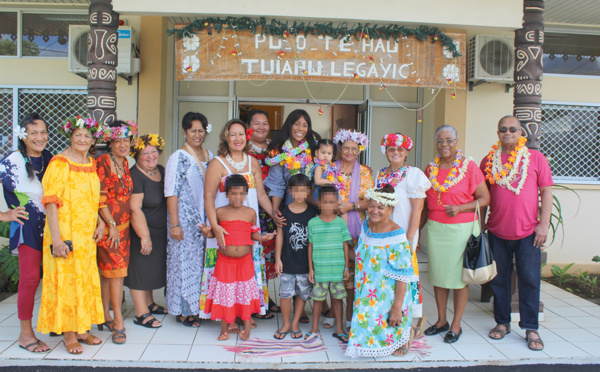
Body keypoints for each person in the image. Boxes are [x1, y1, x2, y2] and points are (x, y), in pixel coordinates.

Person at [481, 115, 553, 351]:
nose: (508, 132)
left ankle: (531, 328)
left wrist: (543, 225)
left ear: (521, 132)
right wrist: (480, 225)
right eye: (503, 129)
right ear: (498, 133)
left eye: (513, 129)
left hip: (529, 233)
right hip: (497, 231)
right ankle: (502, 323)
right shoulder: (490, 160)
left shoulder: (535, 158)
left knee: (529, 280)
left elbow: (547, 192)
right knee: (500, 281)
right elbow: (482, 196)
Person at [37, 116, 105, 354]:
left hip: (87, 235)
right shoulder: (59, 162)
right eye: (78, 135)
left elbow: (91, 198)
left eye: (87, 136)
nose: (83, 139)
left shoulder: (90, 162)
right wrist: (56, 239)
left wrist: (100, 223)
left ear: (93, 139)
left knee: (84, 279)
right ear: (70, 137)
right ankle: (68, 333)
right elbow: (51, 203)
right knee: (67, 280)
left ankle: (83, 329)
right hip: (64, 232)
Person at [201, 119, 276, 332]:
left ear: (247, 136)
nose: (237, 138)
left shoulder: (253, 162)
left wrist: (274, 214)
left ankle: (245, 312)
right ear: (226, 137)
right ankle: (227, 315)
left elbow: (260, 194)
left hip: (248, 226)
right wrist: (214, 226)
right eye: (233, 134)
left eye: (241, 134)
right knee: (225, 274)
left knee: (246, 273)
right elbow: (208, 197)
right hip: (224, 228)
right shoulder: (218, 163)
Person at [421, 125, 490, 344]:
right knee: (439, 277)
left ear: (456, 141)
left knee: (460, 278)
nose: (444, 145)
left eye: (449, 140)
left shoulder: (468, 166)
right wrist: (415, 233)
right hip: (436, 229)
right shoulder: (430, 169)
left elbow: (485, 198)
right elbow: (423, 204)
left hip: (462, 229)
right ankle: (441, 321)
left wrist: (461, 208)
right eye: (440, 141)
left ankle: (456, 325)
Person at [200, 174, 275, 341]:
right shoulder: (220, 212)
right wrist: (206, 232)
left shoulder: (250, 212)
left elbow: (254, 233)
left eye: (241, 193)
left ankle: (247, 327)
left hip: (245, 261)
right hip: (224, 262)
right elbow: (213, 233)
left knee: (245, 293)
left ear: (246, 194)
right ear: (227, 194)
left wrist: (263, 238)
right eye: (233, 193)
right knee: (225, 293)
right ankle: (224, 328)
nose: (237, 197)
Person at [0, 113, 52, 353]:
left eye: (42, 132)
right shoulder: (13, 160)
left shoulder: (51, 159)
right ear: (23, 136)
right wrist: (4, 215)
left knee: (54, 277)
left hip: (52, 227)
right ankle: (25, 333)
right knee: (30, 280)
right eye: (33, 133)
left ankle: (56, 323)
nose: (39, 137)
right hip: (27, 227)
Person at [345, 185, 415, 358]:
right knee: (364, 323)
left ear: (390, 209)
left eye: (381, 207)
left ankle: (404, 335)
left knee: (381, 323)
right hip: (367, 288)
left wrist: (397, 308)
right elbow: (362, 255)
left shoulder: (397, 236)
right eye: (371, 206)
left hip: (388, 293)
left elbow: (403, 276)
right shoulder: (366, 226)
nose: (374, 211)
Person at [376, 133, 431, 338]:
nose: (396, 152)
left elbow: (418, 209)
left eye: (400, 149)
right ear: (386, 151)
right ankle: (388, 317)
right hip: (383, 233)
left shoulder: (413, 173)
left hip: (403, 234)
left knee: (406, 277)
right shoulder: (381, 174)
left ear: (406, 152)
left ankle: (411, 322)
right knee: (388, 276)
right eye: (392, 149)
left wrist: (410, 238)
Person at [165, 112, 213, 328]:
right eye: (192, 130)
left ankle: (200, 308)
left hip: (204, 222)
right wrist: (175, 224)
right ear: (185, 131)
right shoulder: (179, 157)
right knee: (184, 265)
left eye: (200, 130)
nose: (197, 134)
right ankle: (184, 311)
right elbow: (171, 192)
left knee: (202, 265)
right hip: (184, 221)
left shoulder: (210, 155)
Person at [96, 120, 137, 344]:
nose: (122, 145)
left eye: (126, 140)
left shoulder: (125, 163)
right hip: (111, 230)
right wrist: (109, 223)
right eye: (117, 141)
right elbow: (100, 198)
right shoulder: (104, 162)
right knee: (116, 274)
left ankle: (105, 315)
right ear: (109, 143)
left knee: (109, 274)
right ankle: (118, 322)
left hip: (123, 229)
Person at [331, 129, 374, 329]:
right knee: (333, 271)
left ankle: (351, 315)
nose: (349, 152)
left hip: (359, 230)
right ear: (339, 148)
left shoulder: (365, 172)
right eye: (345, 147)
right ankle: (333, 313)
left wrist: (351, 206)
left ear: (359, 151)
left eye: (353, 149)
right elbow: (318, 194)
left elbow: (371, 202)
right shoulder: (329, 169)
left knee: (354, 274)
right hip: (332, 226)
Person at [126, 134, 168, 329]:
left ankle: (149, 303)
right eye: (145, 153)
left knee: (151, 267)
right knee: (140, 269)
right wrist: (145, 236)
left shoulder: (160, 170)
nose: (150, 156)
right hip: (142, 230)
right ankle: (141, 312)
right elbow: (135, 208)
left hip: (159, 229)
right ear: (137, 156)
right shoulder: (135, 175)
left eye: (153, 152)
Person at [273, 174, 317, 340]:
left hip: (305, 263)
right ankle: (285, 323)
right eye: (296, 191)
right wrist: (277, 259)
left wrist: (313, 264)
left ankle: (295, 323)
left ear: (308, 192)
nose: (299, 194)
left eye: (303, 191)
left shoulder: (313, 213)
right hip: (288, 261)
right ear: (290, 191)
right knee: (285, 294)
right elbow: (280, 236)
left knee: (302, 294)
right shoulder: (283, 213)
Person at [305, 185, 351, 343]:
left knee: (337, 300)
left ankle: (339, 329)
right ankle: (314, 328)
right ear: (318, 202)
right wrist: (311, 269)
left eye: (332, 202)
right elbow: (310, 246)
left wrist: (346, 268)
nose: (328, 206)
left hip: (337, 270)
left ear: (337, 203)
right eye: (324, 202)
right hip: (320, 270)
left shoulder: (340, 223)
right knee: (318, 300)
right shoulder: (312, 223)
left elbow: (345, 245)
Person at [247, 110, 279, 317]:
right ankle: (254, 301)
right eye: (256, 123)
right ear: (248, 126)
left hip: (271, 208)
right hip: (250, 208)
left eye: (265, 123)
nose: (261, 127)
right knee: (251, 254)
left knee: (267, 255)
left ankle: (264, 297)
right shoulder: (241, 148)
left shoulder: (276, 150)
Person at [264, 109, 320, 210]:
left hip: (314, 207)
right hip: (290, 207)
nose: (300, 129)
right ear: (289, 125)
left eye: (305, 125)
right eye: (296, 124)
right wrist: (275, 211)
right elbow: (277, 184)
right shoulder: (279, 151)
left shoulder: (314, 148)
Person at [311, 139, 346, 222]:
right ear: (316, 153)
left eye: (329, 153)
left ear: (332, 155)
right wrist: (331, 182)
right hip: (322, 193)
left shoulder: (331, 166)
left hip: (331, 192)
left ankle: (344, 230)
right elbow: (317, 181)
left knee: (343, 210)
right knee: (323, 213)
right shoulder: (319, 166)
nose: (326, 156)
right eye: (323, 152)